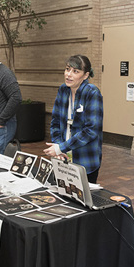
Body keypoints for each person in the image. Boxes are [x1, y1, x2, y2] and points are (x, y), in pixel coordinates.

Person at [44, 55, 103, 183]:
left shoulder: (92, 93)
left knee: (82, 201)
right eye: (67, 69)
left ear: (86, 75)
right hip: (63, 158)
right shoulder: (63, 90)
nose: (69, 75)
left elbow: (91, 130)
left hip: (85, 160)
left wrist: (60, 148)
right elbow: (55, 122)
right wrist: (59, 148)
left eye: (75, 71)